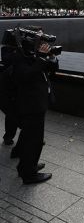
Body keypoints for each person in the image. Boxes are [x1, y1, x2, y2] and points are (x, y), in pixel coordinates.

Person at [12, 35, 58, 184]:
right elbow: (25, 76)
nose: (43, 43)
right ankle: (29, 174)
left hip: (37, 103)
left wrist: (51, 57)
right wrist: (40, 57)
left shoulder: (32, 55)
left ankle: (26, 166)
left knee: (29, 138)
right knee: (34, 141)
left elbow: (52, 69)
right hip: (31, 105)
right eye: (39, 40)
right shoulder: (20, 57)